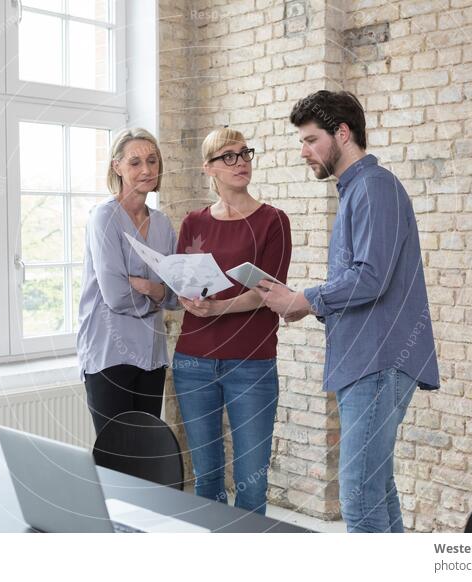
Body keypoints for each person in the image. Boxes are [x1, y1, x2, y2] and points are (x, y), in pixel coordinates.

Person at [256, 90, 440, 532]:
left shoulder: (374, 188)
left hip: (380, 361)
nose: (304, 152)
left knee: (358, 499)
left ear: (343, 133)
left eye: (311, 139)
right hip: (369, 360)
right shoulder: (357, 189)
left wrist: (305, 299)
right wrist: (307, 302)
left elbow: (371, 277)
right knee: (376, 490)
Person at [172, 127, 291, 515]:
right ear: (210, 168)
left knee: (250, 481)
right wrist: (186, 298)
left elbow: (269, 292)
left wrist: (218, 308)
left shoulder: (274, 221)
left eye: (244, 154)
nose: (240, 162)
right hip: (193, 362)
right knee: (206, 478)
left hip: (251, 364)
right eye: (229, 156)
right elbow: (182, 282)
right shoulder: (193, 223)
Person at [76, 128, 177, 436]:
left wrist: (149, 287)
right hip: (109, 353)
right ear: (116, 167)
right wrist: (158, 294)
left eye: (152, 160)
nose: (146, 169)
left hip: (151, 355)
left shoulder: (161, 223)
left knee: (145, 455)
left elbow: (176, 295)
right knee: (117, 459)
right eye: (135, 162)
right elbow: (116, 295)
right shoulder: (104, 218)